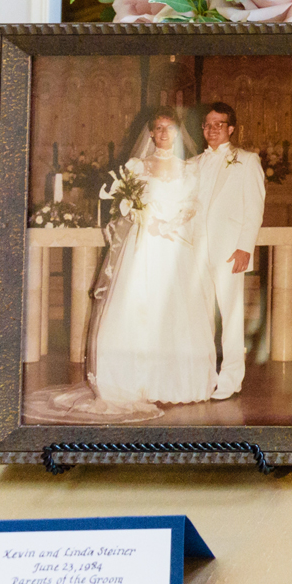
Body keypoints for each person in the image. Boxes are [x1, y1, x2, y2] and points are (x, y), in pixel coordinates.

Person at [84, 111, 217, 407]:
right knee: (137, 306)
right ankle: (130, 381)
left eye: (170, 128)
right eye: (159, 128)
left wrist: (176, 220)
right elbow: (125, 205)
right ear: (152, 134)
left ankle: (176, 381)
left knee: (177, 309)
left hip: (176, 245)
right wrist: (147, 220)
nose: (164, 133)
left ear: (178, 132)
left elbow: (194, 202)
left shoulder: (188, 168)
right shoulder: (136, 166)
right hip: (144, 244)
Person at [194, 102, 267, 399]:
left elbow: (255, 208)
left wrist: (244, 248)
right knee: (201, 318)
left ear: (231, 128)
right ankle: (205, 376)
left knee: (232, 317)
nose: (212, 130)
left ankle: (231, 379)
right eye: (208, 125)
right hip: (197, 252)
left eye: (219, 124)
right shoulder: (195, 162)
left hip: (228, 252)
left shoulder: (247, 161)